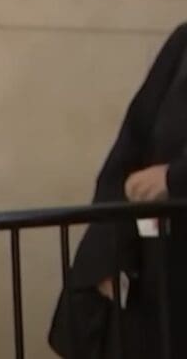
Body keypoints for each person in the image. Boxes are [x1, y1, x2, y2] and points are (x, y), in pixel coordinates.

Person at [50, 24, 187, 357]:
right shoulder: (183, 44)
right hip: (156, 275)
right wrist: (109, 256)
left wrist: (175, 179)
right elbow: (129, 151)